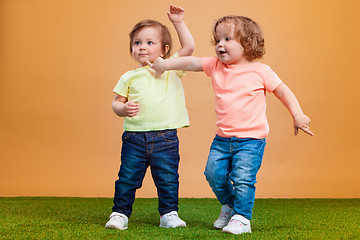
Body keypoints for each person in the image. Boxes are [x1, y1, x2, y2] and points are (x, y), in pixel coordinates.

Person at [149, 15, 314, 235]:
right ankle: (229, 205)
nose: (220, 44)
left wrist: (298, 114)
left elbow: (283, 91)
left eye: (227, 39)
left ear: (248, 43)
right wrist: (165, 65)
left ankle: (243, 218)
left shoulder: (261, 71)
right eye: (217, 40)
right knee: (213, 174)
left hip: (251, 140)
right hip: (222, 139)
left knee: (243, 178)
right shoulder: (216, 65)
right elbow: (191, 62)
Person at [105, 5, 194, 230]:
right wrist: (122, 110)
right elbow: (116, 102)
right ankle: (119, 214)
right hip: (134, 138)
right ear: (132, 49)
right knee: (127, 178)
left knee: (167, 179)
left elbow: (189, 47)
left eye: (149, 42)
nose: (142, 47)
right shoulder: (128, 77)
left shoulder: (170, 68)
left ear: (163, 50)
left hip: (165, 138)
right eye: (137, 43)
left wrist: (178, 22)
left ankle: (169, 214)